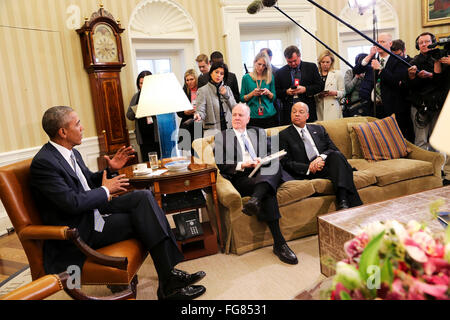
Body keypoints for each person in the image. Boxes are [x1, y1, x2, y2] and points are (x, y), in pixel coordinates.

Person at [30, 106, 206, 300]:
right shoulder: (45, 163)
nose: (82, 128)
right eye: (77, 124)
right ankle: (168, 282)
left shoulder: (72, 153)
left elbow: (87, 181)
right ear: (62, 132)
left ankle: (169, 278)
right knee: (146, 218)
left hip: (94, 213)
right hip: (80, 230)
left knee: (144, 197)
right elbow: (71, 203)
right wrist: (106, 190)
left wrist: (110, 170)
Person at [213, 103, 297, 265]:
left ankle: (256, 200)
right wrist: (243, 164)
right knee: (268, 189)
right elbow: (221, 164)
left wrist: (262, 159)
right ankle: (280, 243)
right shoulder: (222, 137)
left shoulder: (258, 132)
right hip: (242, 177)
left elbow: (272, 154)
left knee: (273, 166)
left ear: (248, 118)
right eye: (234, 115)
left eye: (240, 115)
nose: (236, 118)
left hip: (263, 171)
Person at [279, 102, 363, 210]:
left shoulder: (318, 129)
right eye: (294, 112)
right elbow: (285, 162)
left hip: (325, 166)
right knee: (343, 168)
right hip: (306, 171)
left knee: (337, 156)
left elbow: (333, 149)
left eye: (301, 112)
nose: (296, 114)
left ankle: (342, 201)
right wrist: (309, 167)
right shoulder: (283, 135)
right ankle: (349, 202)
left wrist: (320, 158)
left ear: (307, 116)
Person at [354, 33, 412, 140]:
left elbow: (395, 81)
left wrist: (380, 69)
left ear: (390, 44)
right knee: (377, 138)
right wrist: (370, 55)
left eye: (382, 42)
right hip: (373, 106)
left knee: (394, 138)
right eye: (378, 42)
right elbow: (356, 70)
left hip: (392, 107)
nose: (379, 44)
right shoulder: (372, 60)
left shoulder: (398, 60)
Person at [275, 45, 323, 125]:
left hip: (308, 110)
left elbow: (320, 86)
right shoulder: (280, 72)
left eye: (295, 60)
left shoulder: (311, 67)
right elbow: (277, 92)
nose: (293, 64)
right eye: (289, 62)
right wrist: (286, 92)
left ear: (299, 56)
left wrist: (305, 89)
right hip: (289, 113)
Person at [194, 62, 237, 137]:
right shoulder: (203, 90)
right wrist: (199, 115)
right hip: (212, 130)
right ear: (211, 73)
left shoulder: (227, 89)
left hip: (229, 128)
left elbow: (235, 109)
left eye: (222, 73)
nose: (218, 75)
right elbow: (201, 110)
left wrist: (226, 95)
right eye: (216, 72)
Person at [126, 70, 160, 162]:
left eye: (145, 83)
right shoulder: (136, 97)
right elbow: (129, 115)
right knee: (146, 160)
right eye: (141, 83)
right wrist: (138, 109)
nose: (143, 85)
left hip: (156, 134)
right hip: (143, 136)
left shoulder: (158, 96)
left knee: (159, 160)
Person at [240, 51, 278, 129]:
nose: (261, 67)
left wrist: (268, 93)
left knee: (272, 140)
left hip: (269, 115)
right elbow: (242, 99)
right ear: (254, 62)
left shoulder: (270, 77)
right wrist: (252, 93)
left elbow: (274, 98)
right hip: (253, 115)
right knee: (254, 140)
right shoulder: (246, 78)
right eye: (259, 64)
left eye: (264, 65)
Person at [314, 50, 345, 121]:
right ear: (319, 62)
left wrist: (334, 93)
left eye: (327, 62)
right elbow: (313, 94)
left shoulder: (337, 74)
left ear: (331, 62)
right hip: (320, 107)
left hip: (333, 107)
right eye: (323, 62)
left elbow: (343, 93)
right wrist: (319, 95)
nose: (325, 64)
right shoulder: (316, 75)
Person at [177, 69, 202, 155]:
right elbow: (178, 112)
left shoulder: (201, 89)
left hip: (199, 123)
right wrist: (185, 112)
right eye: (187, 80)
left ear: (196, 79)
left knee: (199, 150)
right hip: (188, 123)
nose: (189, 82)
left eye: (192, 79)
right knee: (190, 152)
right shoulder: (184, 91)